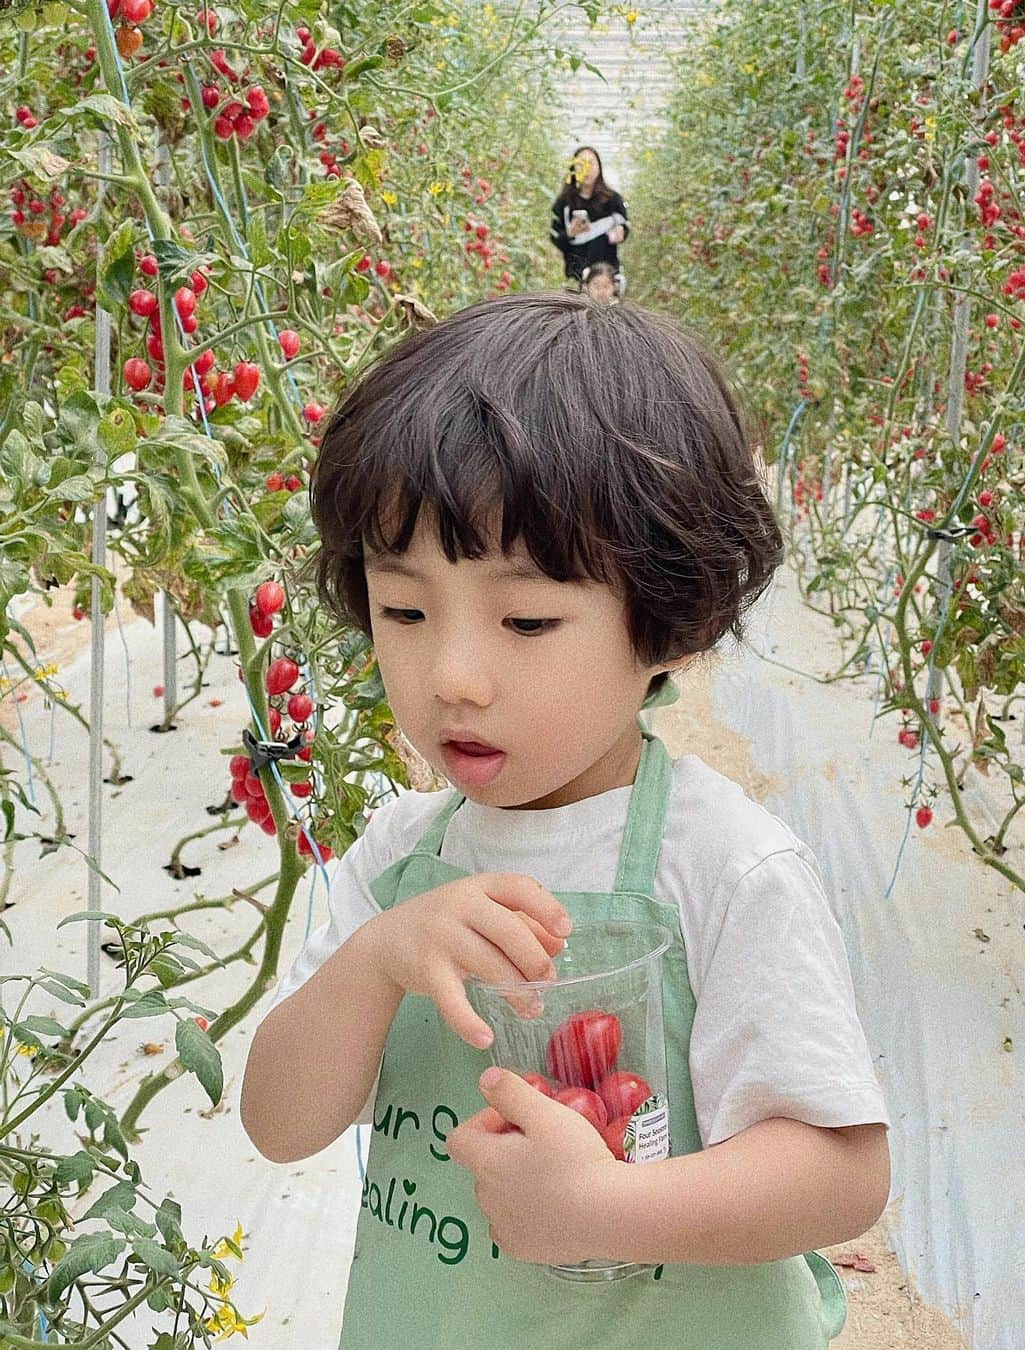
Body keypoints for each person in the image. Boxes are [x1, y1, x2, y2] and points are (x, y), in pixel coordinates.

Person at [240, 292, 891, 1350]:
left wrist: (604, 1211)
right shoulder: (406, 861)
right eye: (404, 609)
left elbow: (842, 1171)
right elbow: (280, 1123)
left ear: (675, 618)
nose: (451, 675)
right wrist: (376, 960)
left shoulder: (723, 867)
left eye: (527, 619)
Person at [550, 146, 629, 288]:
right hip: (576, 278)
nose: (587, 169)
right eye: (581, 164)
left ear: (599, 167)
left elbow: (625, 227)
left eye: (591, 163)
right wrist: (570, 233)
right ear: (573, 168)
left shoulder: (613, 200)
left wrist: (619, 232)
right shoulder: (564, 203)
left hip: (607, 279)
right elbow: (555, 238)